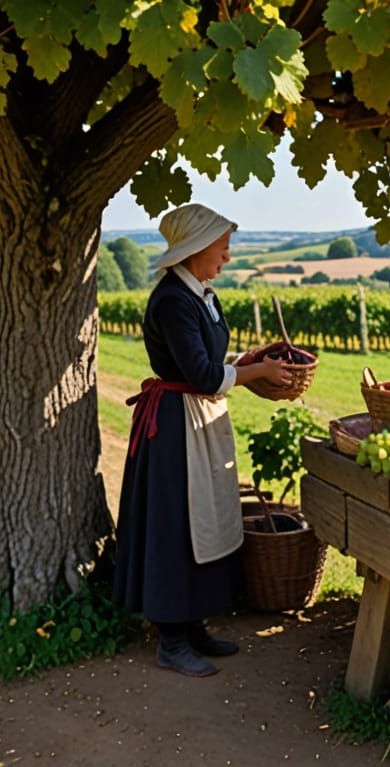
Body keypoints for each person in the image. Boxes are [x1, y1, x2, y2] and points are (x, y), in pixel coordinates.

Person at [113, 203, 297, 677]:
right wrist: (259, 370)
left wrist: (245, 362)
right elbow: (200, 374)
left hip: (198, 418)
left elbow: (209, 362)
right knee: (179, 527)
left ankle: (192, 625)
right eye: (222, 248)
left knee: (204, 522)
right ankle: (171, 639)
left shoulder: (201, 295)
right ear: (195, 250)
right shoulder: (173, 301)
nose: (228, 257)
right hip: (175, 427)